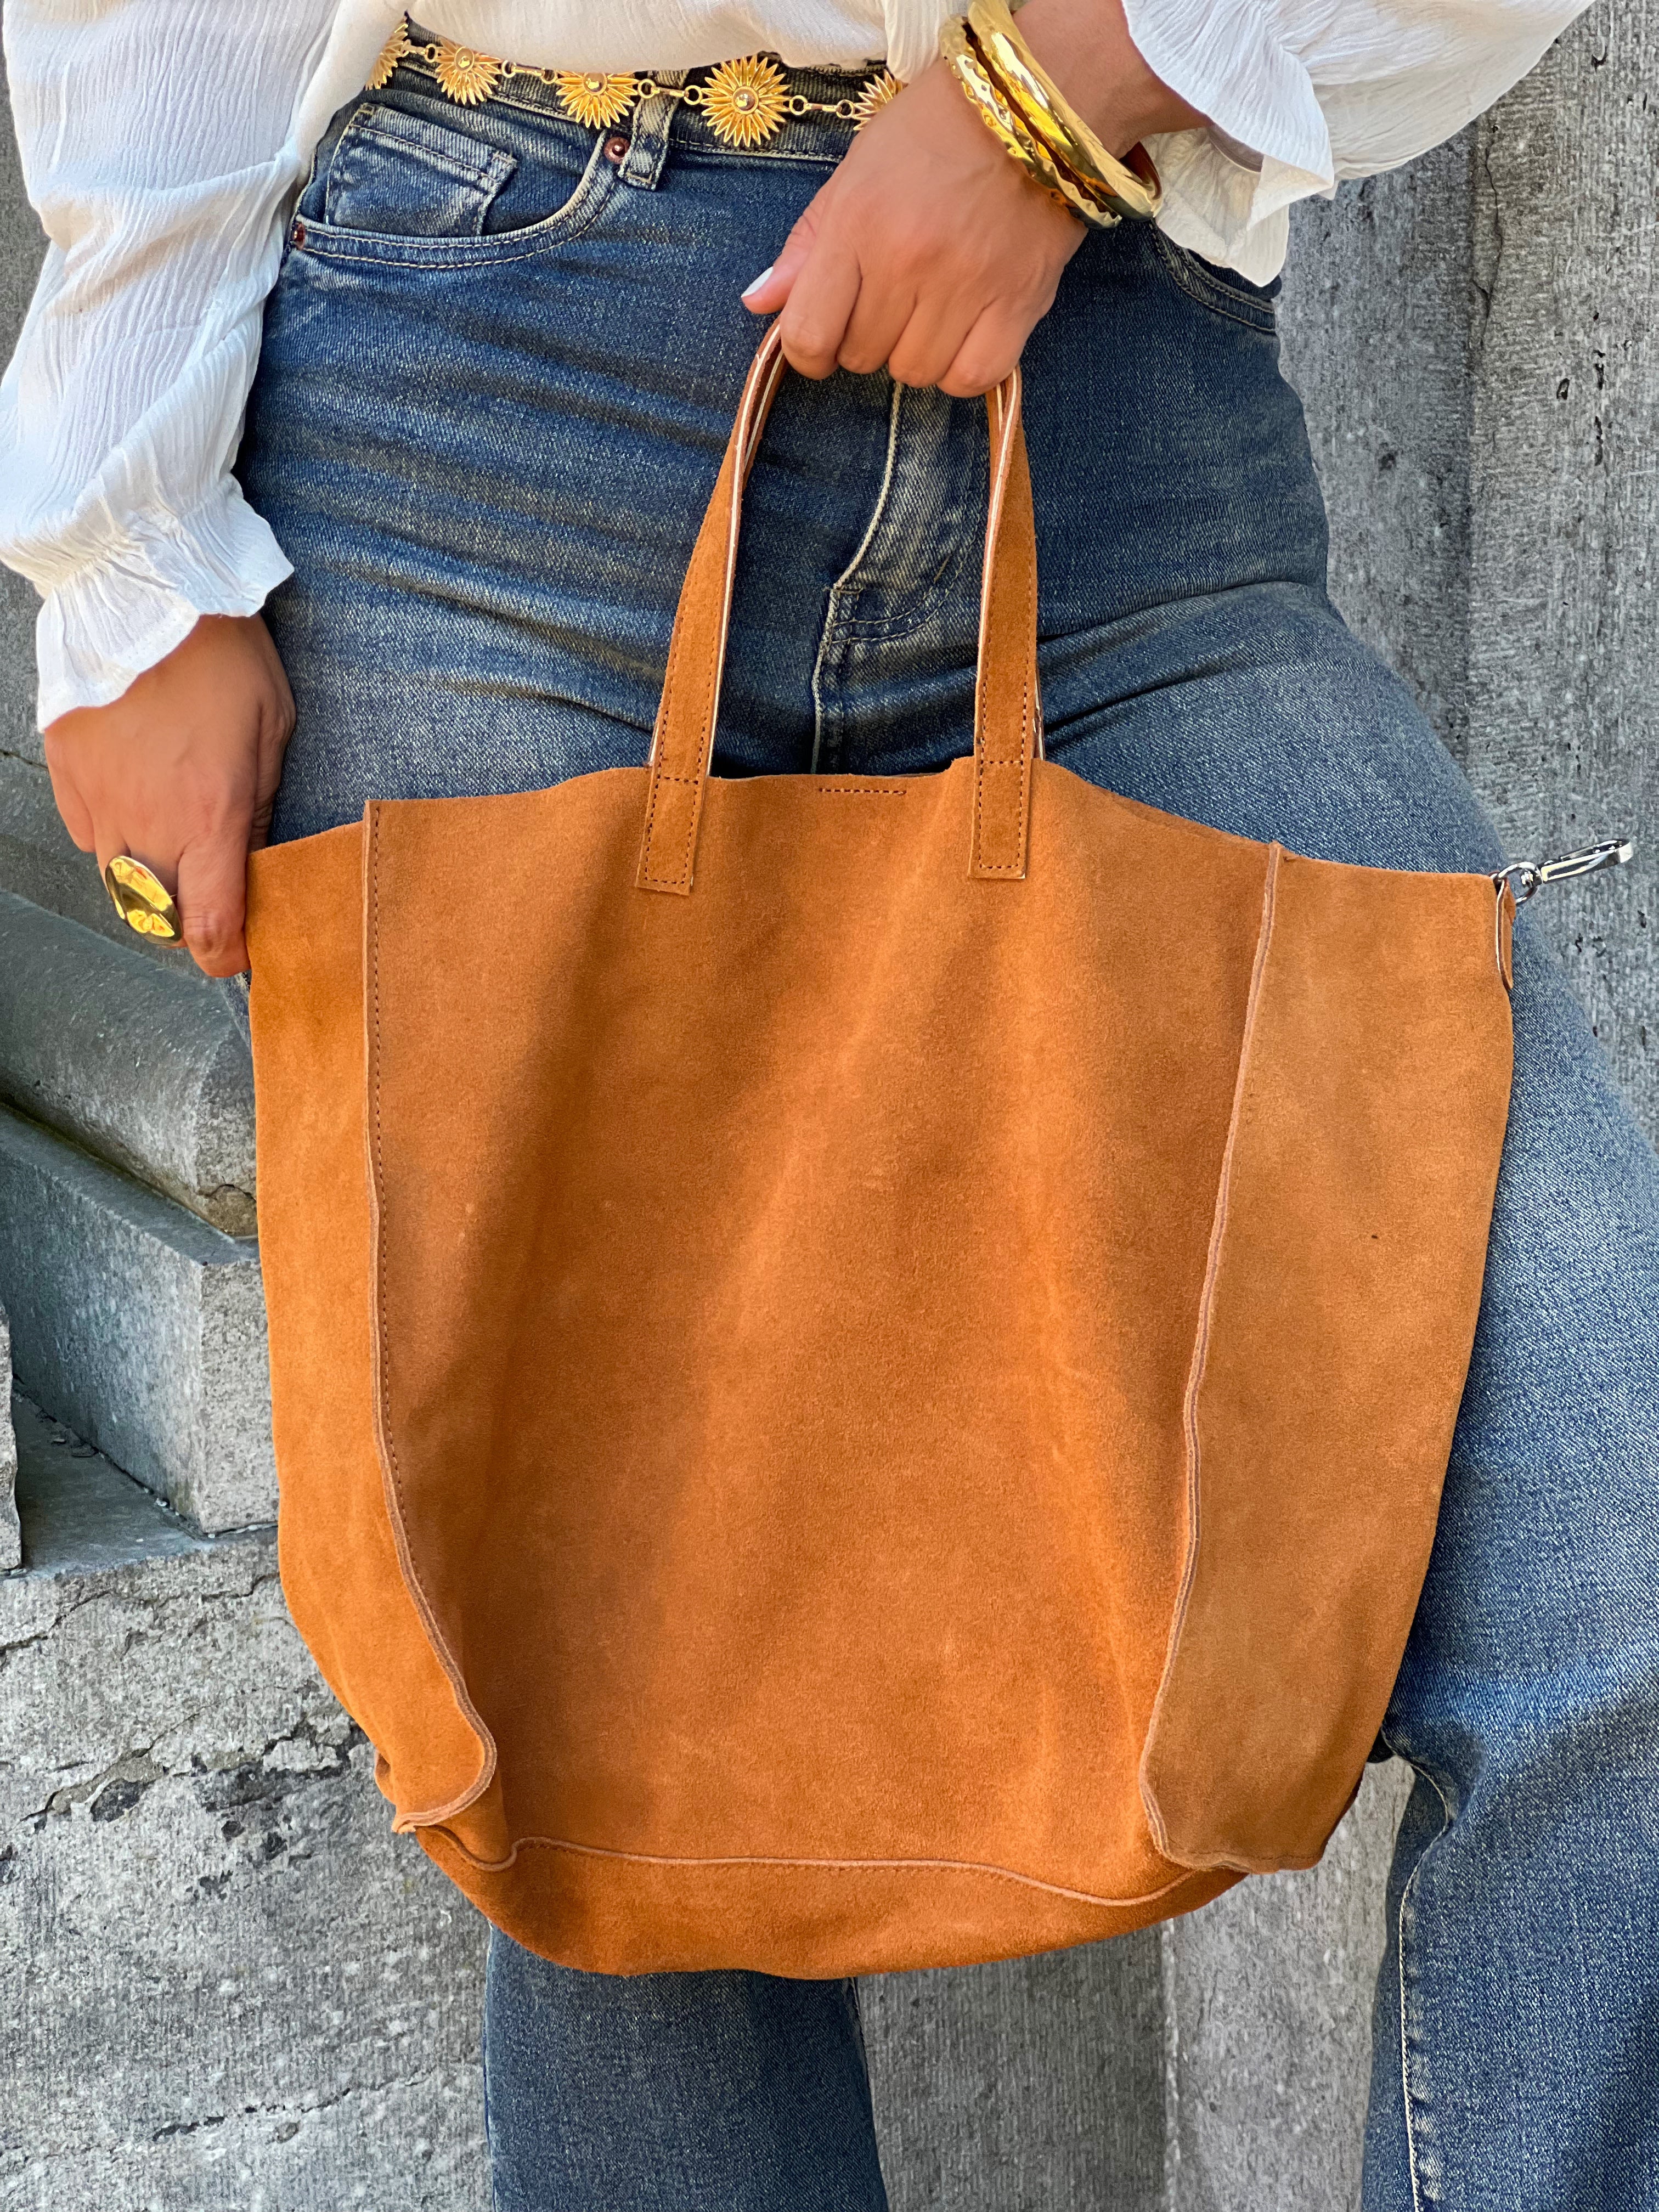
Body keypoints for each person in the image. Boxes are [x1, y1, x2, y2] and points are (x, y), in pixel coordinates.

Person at [5, 1, 1657, 2205]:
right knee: (603, 1745)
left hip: (1127, 427)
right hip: (491, 402)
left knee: (1608, 1566)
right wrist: (122, 555)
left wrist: (1066, 89)